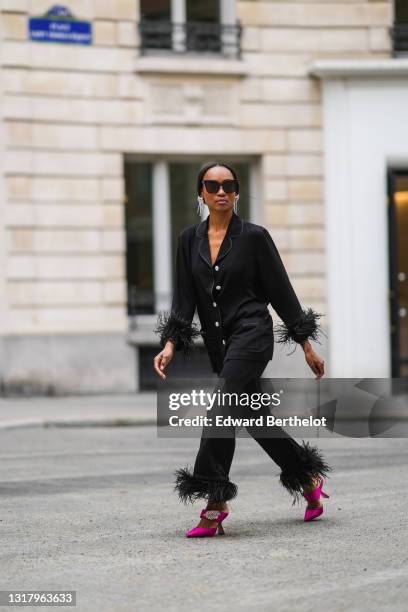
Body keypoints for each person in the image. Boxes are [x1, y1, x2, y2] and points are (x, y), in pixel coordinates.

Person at [153, 161, 332, 538]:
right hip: (221, 344)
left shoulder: (254, 237)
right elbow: (184, 299)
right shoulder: (189, 240)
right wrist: (170, 343)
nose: (221, 191)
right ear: (200, 192)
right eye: (212, 185)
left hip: (252, 337)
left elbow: (281, 292)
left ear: (236, 191)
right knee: (254, 417)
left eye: (229, 184)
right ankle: (307, 478)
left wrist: (305, 344)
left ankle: (215, 500)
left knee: (220, 407)